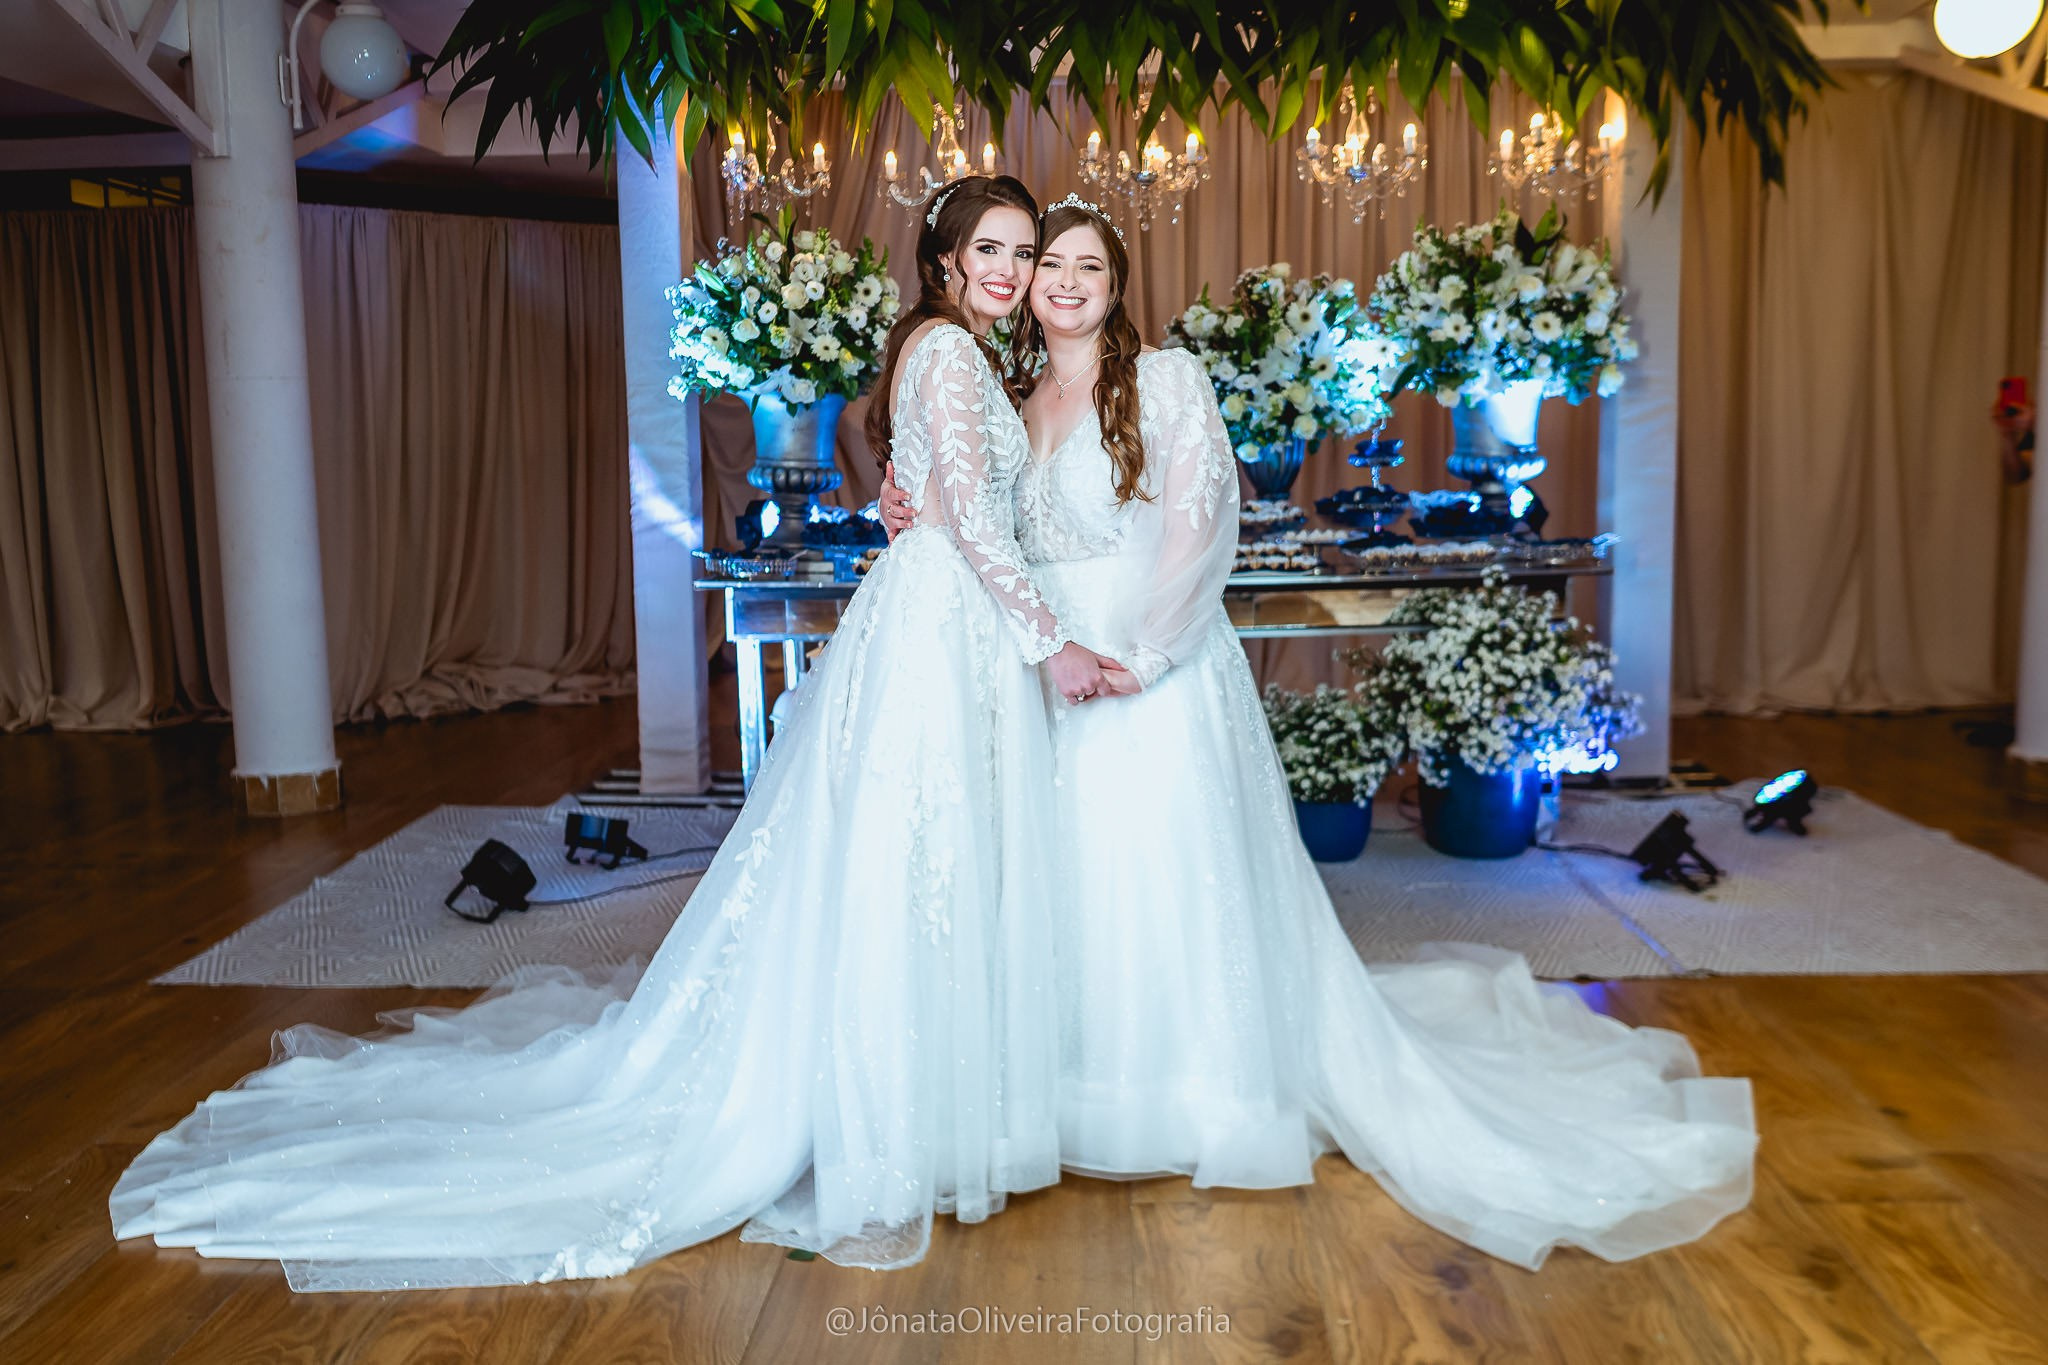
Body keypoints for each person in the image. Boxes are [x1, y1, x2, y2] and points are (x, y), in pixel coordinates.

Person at [109, 175, 1127, 1291]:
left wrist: (916, 508)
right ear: (941, 258)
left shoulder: (955, 354)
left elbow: (932, 492)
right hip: (949, 624)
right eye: (992, 248)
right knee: (913, 857)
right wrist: (1051, 643)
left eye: (1025, 254)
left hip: (946, 619)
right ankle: (901, 1116)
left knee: (920, 856)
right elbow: (974, 519)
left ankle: (932, 1099)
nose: (1012, 271)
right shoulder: (944, 352)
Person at [879, 194, 1758, 1269]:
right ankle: (1065, 1094)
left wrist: (1144, 658)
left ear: (1116, 286)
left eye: (1081, 266)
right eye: (1035, 261)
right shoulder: (1002, 389)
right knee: (1065, 880)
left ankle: (1182, 1094)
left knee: (1157, 874)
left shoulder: (1165, 378)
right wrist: (908, 497)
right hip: (1049, 666)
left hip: (1143, 667)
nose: (1056, 281)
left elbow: (1203, 534)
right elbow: (974, 507)